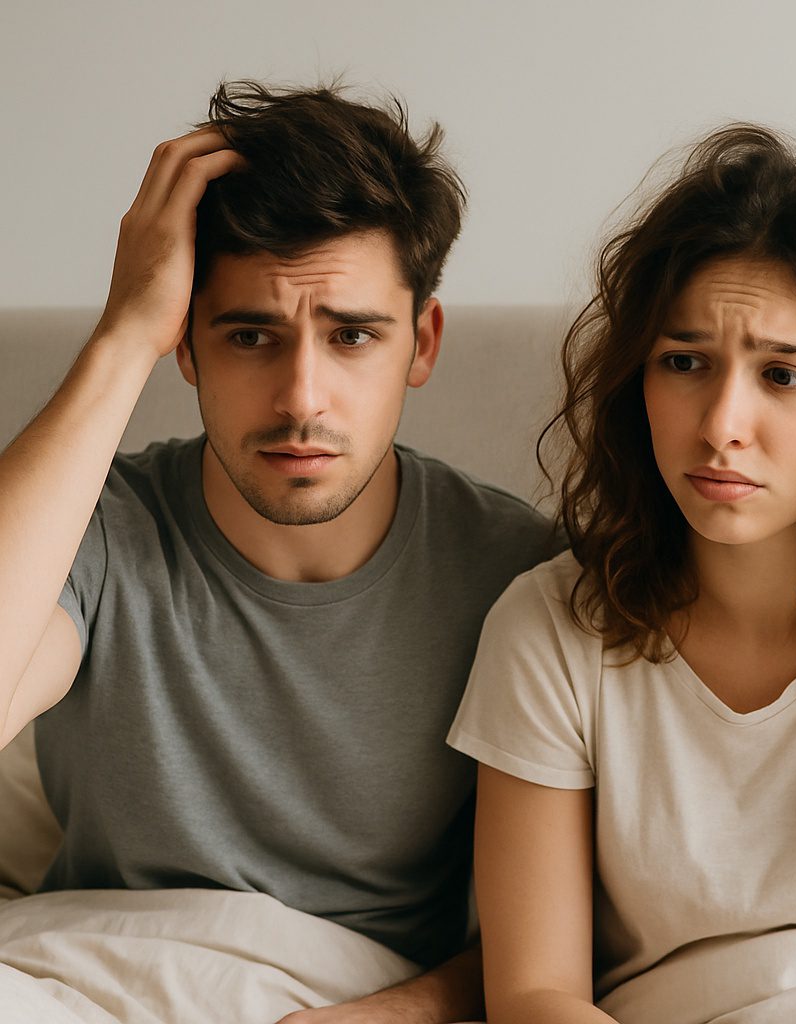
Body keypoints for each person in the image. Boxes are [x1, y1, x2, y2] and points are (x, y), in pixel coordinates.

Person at [0, 80, 557, 1023]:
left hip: (357, 991)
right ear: (187, 344)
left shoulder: (520, 574)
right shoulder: (97, 523)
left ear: (421, 343)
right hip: (87, 976)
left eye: (351, 337)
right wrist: (122, 334)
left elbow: (570, 928)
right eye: (251, 335)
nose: (303, 397)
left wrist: (404, 1013)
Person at [448, 124, 796, 1023]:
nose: (721, 423)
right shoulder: (551, 625)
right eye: (684, 364)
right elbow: (533, 992)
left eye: (784, 375)